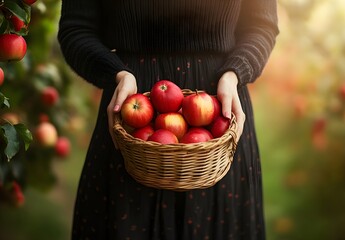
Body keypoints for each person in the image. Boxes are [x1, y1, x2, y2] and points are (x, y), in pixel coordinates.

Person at [57, 0, 279, 239]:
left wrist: (235, 71)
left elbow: (261, 26)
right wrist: (115, 74)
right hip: (133, 111)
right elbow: (76, 29)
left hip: (218, 112)